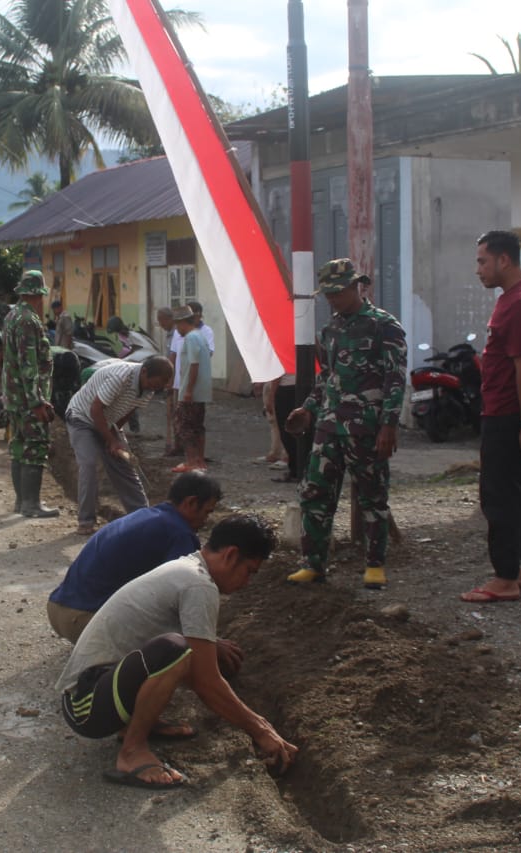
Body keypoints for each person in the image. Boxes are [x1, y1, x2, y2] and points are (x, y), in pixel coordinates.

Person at [56, 514, 296, 790]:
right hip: (84, 706)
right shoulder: (198, 585)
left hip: (103, 688)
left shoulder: (188, 568)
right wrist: (261, 730)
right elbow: (205, 681)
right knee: (176, 650)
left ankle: (136, 723)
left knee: (181, 651)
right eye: (250, 571)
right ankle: (132, 752)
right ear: (231, 555)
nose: (247, 582)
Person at [284, 261, 406, 588]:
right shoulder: (332, 329)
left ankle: (375, 565)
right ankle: (314, 563)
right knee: (315, 493)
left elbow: (395, 379)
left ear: (357, 287)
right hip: (329, 426)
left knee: (372, 497)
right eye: (329, 294)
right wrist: (308, 409)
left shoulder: (384, 326)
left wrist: (389, 426)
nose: (333, 299)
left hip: (366, 427)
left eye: (338, 292)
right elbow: (328, 377)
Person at [460, 230, 521, 603]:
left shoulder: (520, 304)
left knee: (500, 495)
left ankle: (505, 577)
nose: (478, 269)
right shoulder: (519, 298)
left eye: (483, 261)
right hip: (514, 411)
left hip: (511, 413)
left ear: (504, 260)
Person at [47, 471, 223, 642]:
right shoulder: (180, 534)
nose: (206, 520)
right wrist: (208, 643)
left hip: (58, 609)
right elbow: (185, 599)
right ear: (191, 503)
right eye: (207, 512)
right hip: (84, 620)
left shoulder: (148, 516)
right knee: (175, 646)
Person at [65, 356, 175, 536]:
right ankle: (86, 522)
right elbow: (95, 409)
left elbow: (129, 410)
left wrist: (115, 435)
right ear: (145, 372)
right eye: (156, 383)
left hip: (107, 421)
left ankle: (142, 517)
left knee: (125, 465)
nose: (156, 389)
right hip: (81, 418)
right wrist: (110, 440)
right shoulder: (121, 377)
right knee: (89, 463)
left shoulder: (149, 388)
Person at [4, 271, 58, 518]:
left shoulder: (12, 315)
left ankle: (21, 502)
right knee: (34, 446)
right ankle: (31, 504)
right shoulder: (28, 320)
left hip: (14, 397)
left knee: (18, 446)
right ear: (38, 294)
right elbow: (29, 365)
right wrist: (37, 401)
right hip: (28, 399)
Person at [171, 306, 212, 474]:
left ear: (182, 323)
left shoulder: (191, 338)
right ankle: (199, 461)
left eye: (177, 325)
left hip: (191, 392)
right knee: (197, 426)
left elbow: (194, 365)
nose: (176, 329)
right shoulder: (200, 336)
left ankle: (192, 461)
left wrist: (188, 390)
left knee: (183, 426)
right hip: (200, 391)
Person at [154, 307, 179, 455]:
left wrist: (170, 379)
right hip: (172, 378)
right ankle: (174, 443)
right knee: (172, 412)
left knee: (176, 413)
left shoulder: (176, 333)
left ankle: (176, 444)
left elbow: (174, 359)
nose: (160, 324)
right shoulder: (170, 334)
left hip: (176, 379)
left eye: (160, 320)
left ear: (167, 319)